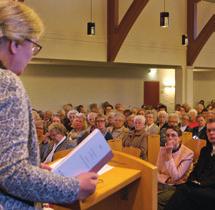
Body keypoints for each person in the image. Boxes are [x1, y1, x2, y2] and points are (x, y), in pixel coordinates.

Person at [0, 1, 97, 209]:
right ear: (15, 44)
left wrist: (33, 168)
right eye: (33, 46)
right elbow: (12, 173)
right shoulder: (6, 82)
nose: (31, 56)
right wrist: (74, 187)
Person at [164, 118, 215, 210]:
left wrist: (200, 183)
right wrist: (192, 181)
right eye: (209, 131)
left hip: (211, 188)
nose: (211, 133)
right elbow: (196, 171)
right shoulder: (205, 150)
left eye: (214, 130)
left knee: (186, 193)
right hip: (199, 186)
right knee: (183, 189)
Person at [157, 126, 194, 210]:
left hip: (176, 187)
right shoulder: (162, 150)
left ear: (180, 138)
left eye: (173, 135)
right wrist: (166, 179)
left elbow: (176, 177)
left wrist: (169, 155)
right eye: (168, 135)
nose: (170, 138)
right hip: (161, 184)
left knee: (156, 199)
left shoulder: (188, 153)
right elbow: (157, 171)